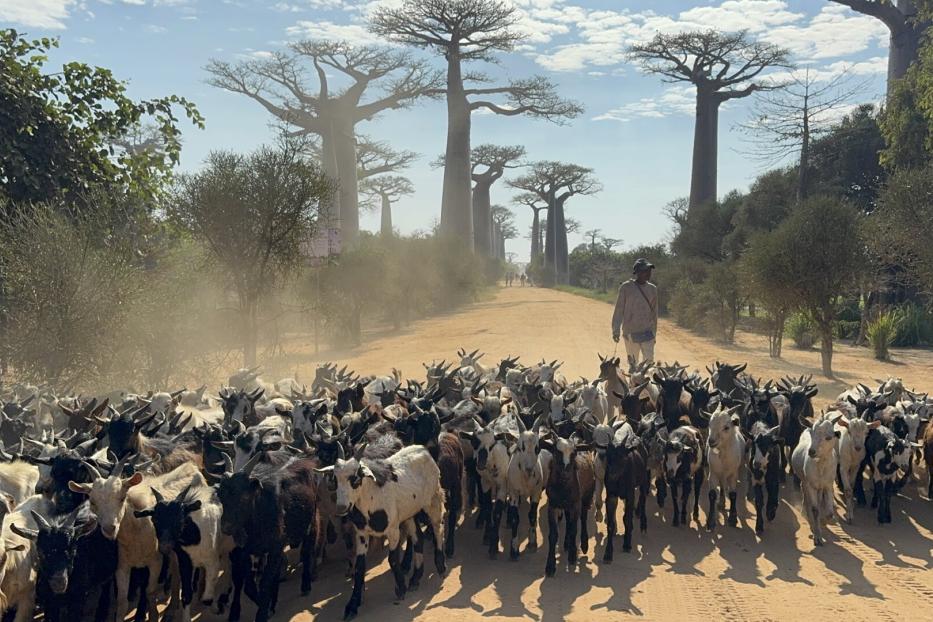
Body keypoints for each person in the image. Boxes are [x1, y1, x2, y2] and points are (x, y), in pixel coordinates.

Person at [611, 258, 658, 365]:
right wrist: (616, 330)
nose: (649, 273)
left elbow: (654, 313)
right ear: (638, 272)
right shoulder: (626, 288)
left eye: (649, 271)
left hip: (648, 333)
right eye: (646, 271)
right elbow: (619, 310)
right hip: (630, 333)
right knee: (633, 364)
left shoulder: (652, 289)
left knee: (649, 364)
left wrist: (654, 333)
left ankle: (647, 382)